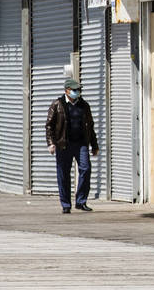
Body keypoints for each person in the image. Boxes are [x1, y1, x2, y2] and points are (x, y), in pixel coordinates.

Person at [46, 77, 99, 214]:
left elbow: (90, 126)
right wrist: (51, 143)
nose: (77, 92)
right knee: (63, 173)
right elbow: (49, 126)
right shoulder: (57, 104)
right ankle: (66, 204)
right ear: (67, 90)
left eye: (79, 90)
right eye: (74, 90)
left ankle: (81, 201)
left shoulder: (84, 105)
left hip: (81, 143)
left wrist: (94, 145)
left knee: (85, 169)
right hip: (63, 144)